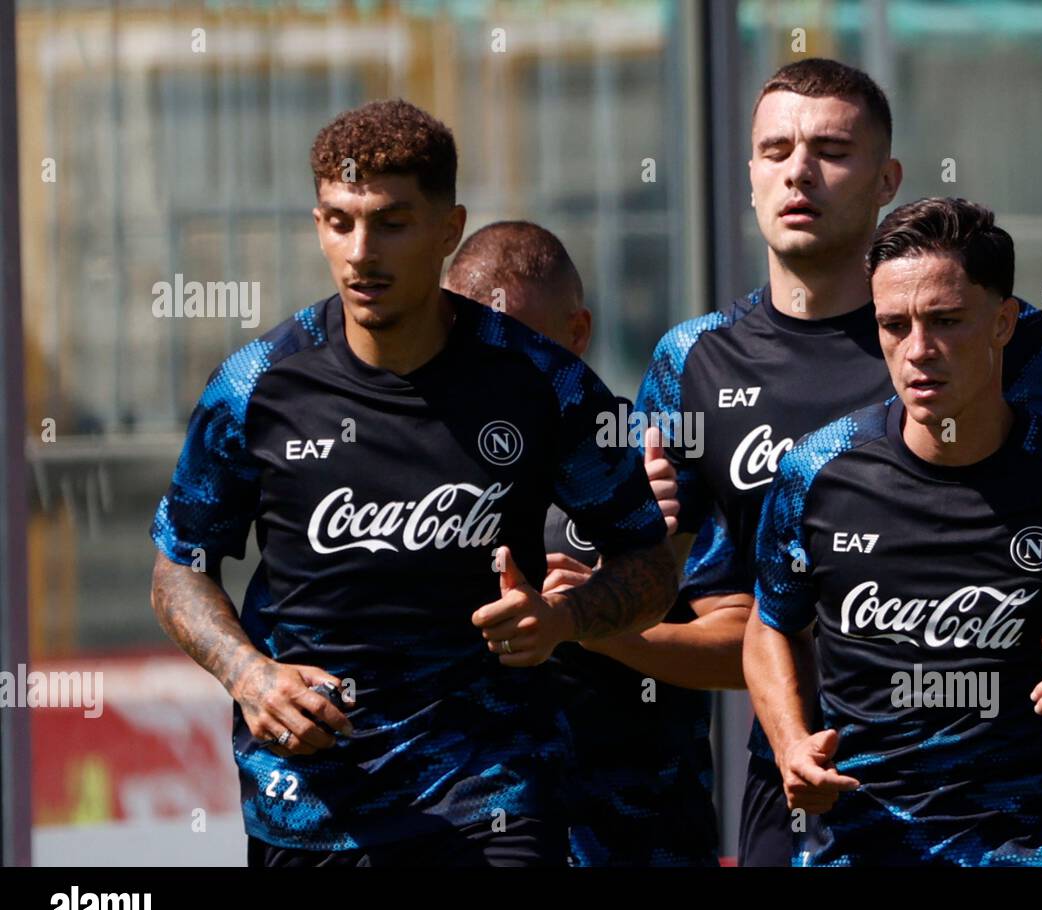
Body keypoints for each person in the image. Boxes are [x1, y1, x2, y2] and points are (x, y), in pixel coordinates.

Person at [637, 57, 1042, 866]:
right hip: (803, 764)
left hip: (998, 786)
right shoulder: (693, 358)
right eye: (776, 150)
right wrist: (635, 541)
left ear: (887, 177)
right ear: (747, 172)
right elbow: (696, 592)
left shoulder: (980, 327)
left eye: (831, 150)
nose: (799, 173)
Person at [148, 100, 676, 867]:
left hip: (491, 791)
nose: (362, 251)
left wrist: (565, 617)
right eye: (338, 221)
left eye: (392, 222)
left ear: (449, 228)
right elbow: (177, 568)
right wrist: (250, 675)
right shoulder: (255, 388)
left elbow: (649, 564)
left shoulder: (542, 384)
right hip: (312, 802)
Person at [746, 197, 1042, 866]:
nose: (918, 351)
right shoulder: (814, 471)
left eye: (946, 321)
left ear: (1004, 323)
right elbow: (770, 623)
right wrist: (790, 742)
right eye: (894, 325)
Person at [445, 221, 731, 865]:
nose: (498, 367)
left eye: (521, 341)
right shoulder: (414, 456)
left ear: (578, 332)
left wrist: (635, 574)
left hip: (642, 838)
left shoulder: (652, 459)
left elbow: (743, 650)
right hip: (472, 830)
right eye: (473, 339)